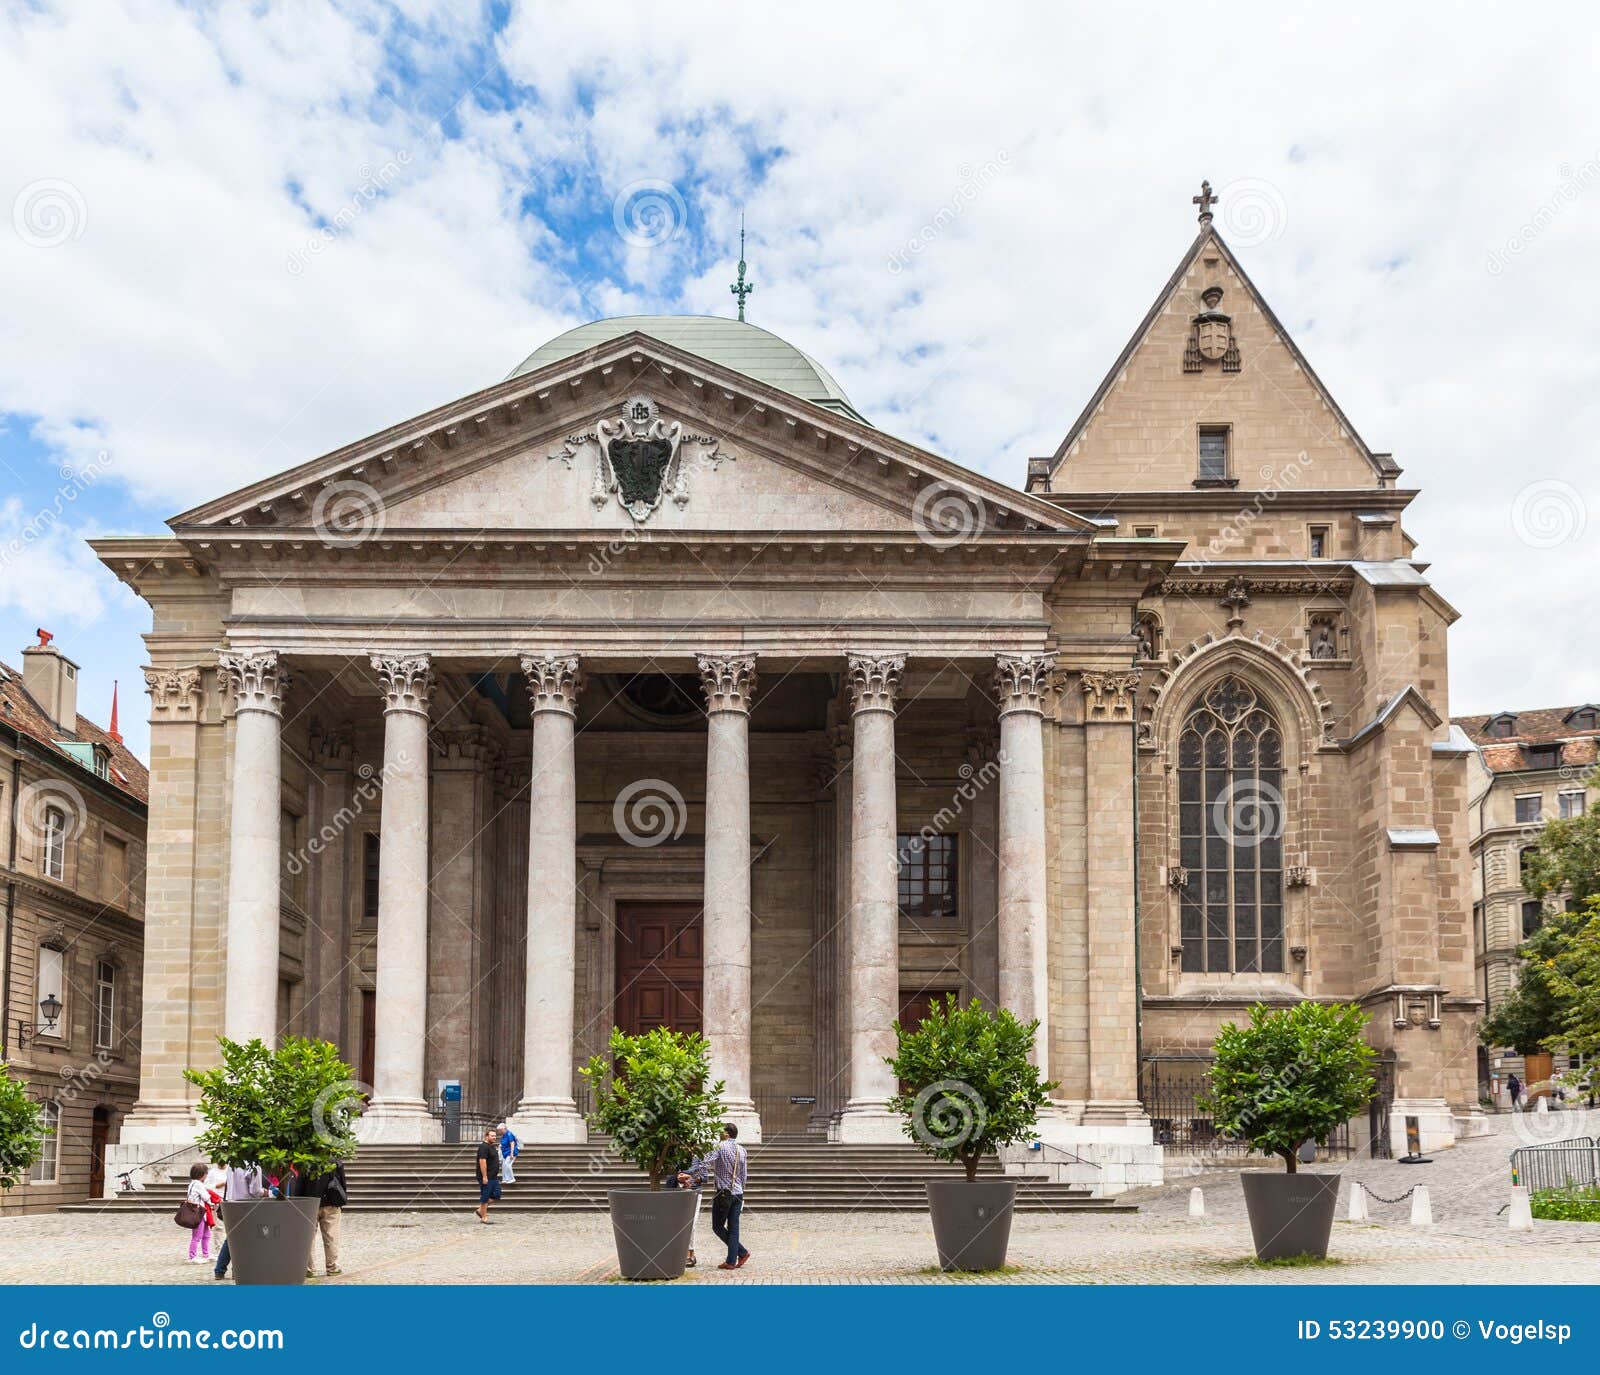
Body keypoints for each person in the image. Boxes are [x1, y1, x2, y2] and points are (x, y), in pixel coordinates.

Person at [703, 1123, 750, 1271]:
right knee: (734, 1228)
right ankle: (732, 1260)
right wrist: (740, 1190)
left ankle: (741, 1252)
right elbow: (744, 1174)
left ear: (726, 1134)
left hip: (724, 1193)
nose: (719, 1134)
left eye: (721, 1131)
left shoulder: (720, 1146)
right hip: (738, 1193)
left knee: (717, 1226)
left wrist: (691, 1171)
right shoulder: (742, 1150)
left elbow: (705, 1162)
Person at [212, 1162, 265, 1280]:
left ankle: (220, 1270)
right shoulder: (254, 1165)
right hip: (247, 1206)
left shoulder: (232, 1163)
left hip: (231, 1204)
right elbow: (255, 1190)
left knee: (231, 1238)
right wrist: (268, 1192)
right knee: (246, 1240)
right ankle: (236, 1270)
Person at [301, 1162, 348, 1279]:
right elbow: (342, 1182)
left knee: (309, 1237)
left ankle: (309, 1269)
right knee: (331, 1236)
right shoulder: (335, 1161)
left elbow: (300, 1184)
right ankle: (332, 1267)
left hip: (310, 1202)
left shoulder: (306, 1160)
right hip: (331, 1202)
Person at [671, 1150, 707, 1268]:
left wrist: (690, 1178)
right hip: (678, 1194)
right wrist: (679, 1178)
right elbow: (670, 1176)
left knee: (691, 1224)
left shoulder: (699, 1157)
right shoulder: (676, 1156)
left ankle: (689, 1254)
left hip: (694, 1193)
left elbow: (704, 1178)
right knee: (679, 1224)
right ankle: (683, 1253)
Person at [184, 1163, 217, 1264]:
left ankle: (206, 1254)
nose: (207, 1175)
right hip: (198, 1213)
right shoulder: (198, 1184)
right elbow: (206, 1197)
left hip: (201, 1213)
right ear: (201, 1174)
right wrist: (212, 1202)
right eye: (206, 1173)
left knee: (206, 1234)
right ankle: (192, 1256)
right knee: (197, 1236)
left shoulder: (192, 1183)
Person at [475, 1126, 501, 1224]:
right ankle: (484, 1217)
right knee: (485, 1197)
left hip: (493, 1176)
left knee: (497, 1194)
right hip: (486, 1176)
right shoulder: (483, 1147)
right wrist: (484, 1176)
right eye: (492, 1136)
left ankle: (480, 1210)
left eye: (495, 1136)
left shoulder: (491, 1146)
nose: (494, 1137)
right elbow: (482, 1162)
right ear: (486, 1136)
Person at [498, 1120, 519, 1185]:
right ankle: (505, 1179)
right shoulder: (504, 1135)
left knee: (507, 1164)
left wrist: (511, 1153)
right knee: (504, 1165)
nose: (499, 1131)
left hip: (510, 1152)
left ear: (504, 1129)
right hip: (505, 1152)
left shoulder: (509, 1134)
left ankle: (511, 1178)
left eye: (500, 1130)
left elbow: (512, 1143)